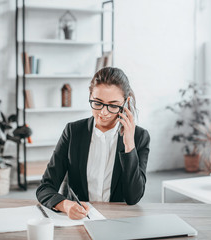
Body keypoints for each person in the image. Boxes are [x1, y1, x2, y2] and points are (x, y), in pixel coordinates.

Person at [36, 67, 150, 220]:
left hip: (118, 220)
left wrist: (129, 146)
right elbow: (45, 188)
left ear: (126, 102)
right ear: (90, 96)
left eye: (113, 105)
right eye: (98, 102)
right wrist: (66, 205)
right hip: (78, 220)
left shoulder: (140, 137)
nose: (103, 112)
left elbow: (133, 197)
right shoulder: (73, 131)